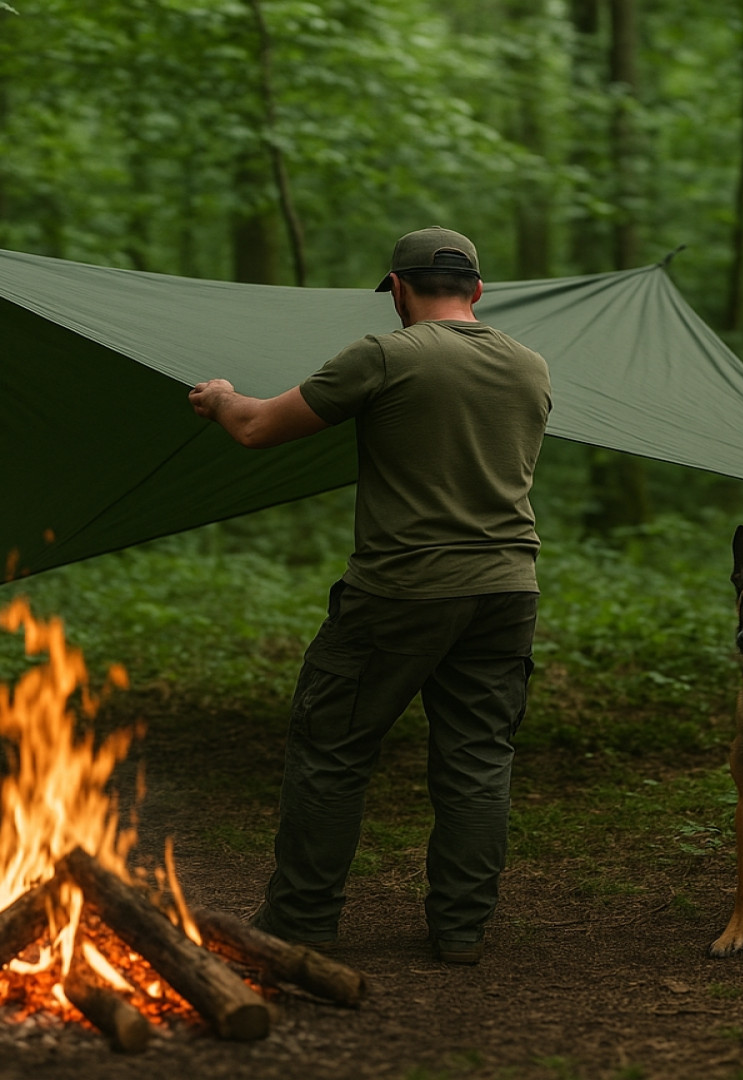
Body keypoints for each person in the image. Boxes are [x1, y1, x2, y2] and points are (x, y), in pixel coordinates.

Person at [187, 227, 550, 964]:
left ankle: (299, 921)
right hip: (507, 589)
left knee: (332, 749)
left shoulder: (384, 355)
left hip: (402, 590)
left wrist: (222, 397)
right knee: (479, 758)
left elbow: (257, 429)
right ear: (477, 291)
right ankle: (461, 929)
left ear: (399, 288)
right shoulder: (530, 366)